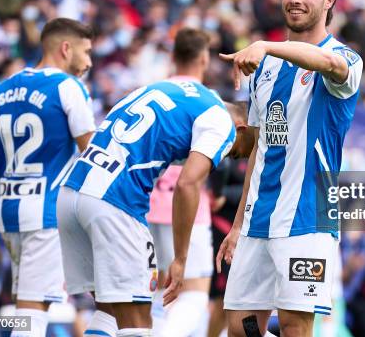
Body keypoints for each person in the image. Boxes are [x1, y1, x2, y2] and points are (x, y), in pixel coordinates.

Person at [217, 0, 363, 337]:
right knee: (241, 328)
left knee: (296, 327)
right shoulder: (263, 67)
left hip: (308, 220)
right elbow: (261, 145)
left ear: (329, 1)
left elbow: (326, 63)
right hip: (258, 220)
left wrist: (267, 44)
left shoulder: (345, 59)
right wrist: (236, 224)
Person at [56, 68, 252, 337]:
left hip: (72, 192)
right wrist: (180, 258)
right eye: (241, 152)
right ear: (242, 128)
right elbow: (187, 183)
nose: (233, 158)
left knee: (110, 313)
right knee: (138, 320)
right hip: (115, 201)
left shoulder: (193, 94)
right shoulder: (223, 124)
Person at [0, 18, 96, 336]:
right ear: (66, 49)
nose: (89, 62)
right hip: (48, 212)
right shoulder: (68, 87)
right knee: (33, 311)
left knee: (30, 303)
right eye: (86, 52)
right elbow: (94, 155)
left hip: (9, 212)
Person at [145, 29, 228, 337]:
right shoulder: (210, 101)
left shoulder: (151, 93)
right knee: (193, 293)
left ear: (172, 57)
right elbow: (219, 154)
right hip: (188, 208)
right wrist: (215, 192)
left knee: (159, 291)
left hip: (149, 205)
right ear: (204, 59)